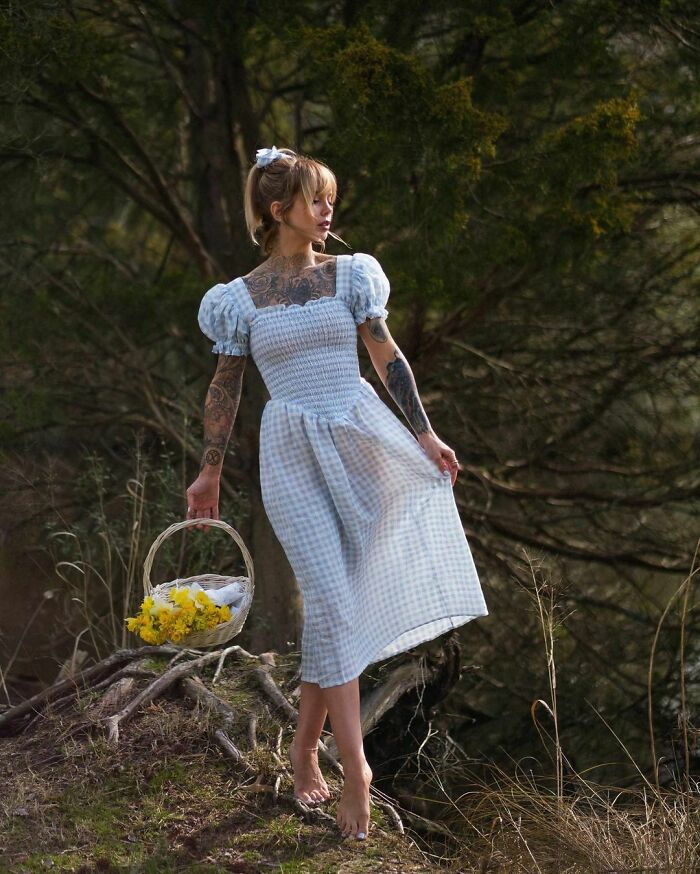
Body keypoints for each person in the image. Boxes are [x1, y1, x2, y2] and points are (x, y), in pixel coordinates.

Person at [187, 146, 488, 842]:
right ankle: (357, 771)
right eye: (316, 199)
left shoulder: (352, 276)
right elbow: (225, 384)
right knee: (328, 597)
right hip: (291, 453)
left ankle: (302, 747)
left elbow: (386, 354)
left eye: (329, 198)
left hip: (360, 442)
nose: (329, 210)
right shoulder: (239, 300)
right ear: (277, 209)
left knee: (337, 608)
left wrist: (425, 436)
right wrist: (209, 469)